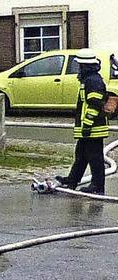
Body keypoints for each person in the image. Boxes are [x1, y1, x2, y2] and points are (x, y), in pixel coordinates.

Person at [55, 48, 109, 195]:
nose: (78, 68)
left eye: (79, 65)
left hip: (93, 127)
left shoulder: (93, 81)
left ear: (85, 66)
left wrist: (87, 124)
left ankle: (97, 186)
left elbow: (94, 104)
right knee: (81, 155)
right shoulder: (89, 79)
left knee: (95, 158)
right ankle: (72, 180)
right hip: (88, 127)